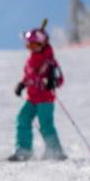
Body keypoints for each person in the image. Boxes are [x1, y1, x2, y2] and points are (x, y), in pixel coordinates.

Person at [9, 21, 66, 161]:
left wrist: (52, 82)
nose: (32, 49)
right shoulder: (30, 60)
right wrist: (22, 84)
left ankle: (55, 150)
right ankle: (24, 149)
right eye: (29, 45)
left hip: (45, 98)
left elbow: (60, 79)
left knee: (45, 124)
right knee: (22, 118)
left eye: (34, 45)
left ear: (42, 43)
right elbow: (28, 76)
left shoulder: (49, 60)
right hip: (32, 97)